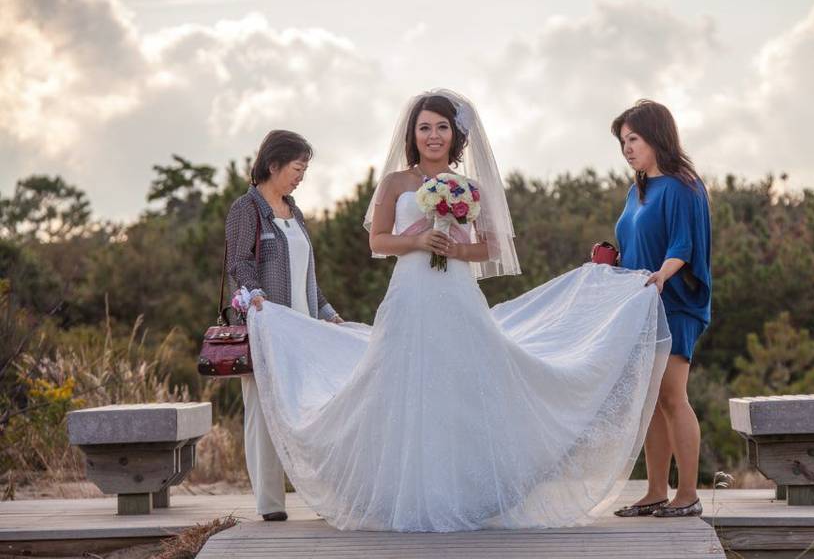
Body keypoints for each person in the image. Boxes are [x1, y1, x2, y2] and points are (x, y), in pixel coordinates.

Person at [245, 89, 671, 531]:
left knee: (462, 385)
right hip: (410, 296)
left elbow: (489, 246)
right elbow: (378, 241)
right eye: (425, 127)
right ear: (412, 134)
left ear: (455, 135)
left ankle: (465, 493)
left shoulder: (470, 188)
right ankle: (404, 493)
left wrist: (457, 246)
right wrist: (417, 240)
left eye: (442, 127)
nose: (433, 136)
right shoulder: (395, 183)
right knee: (403, 383)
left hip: (458, 294)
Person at [225, 129, 343, 522]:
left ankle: (325, 494)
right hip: (266, 328)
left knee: (313, 409)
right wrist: (255, 294)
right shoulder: (247, 208)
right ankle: (271, 504)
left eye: (305, 169)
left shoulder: (296, 212)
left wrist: (326, 312)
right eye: (297, 167)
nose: (301, 176)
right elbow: (239, 262)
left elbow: (306, 275)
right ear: (273, 164)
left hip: (303, 331)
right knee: (262, 413)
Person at [610, 100, 712, 519]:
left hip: (674, 303)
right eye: (622, 142)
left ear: (657, 136)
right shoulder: (638, 191)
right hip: (642, 305)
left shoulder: (684, 185)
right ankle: (655, 491)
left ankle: (687, 494)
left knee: (672, 396)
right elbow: (633, 246)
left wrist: (664, 274)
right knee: (651, 400)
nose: (627, 148)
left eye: (634, 138)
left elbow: (683, 245)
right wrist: (610, 262)